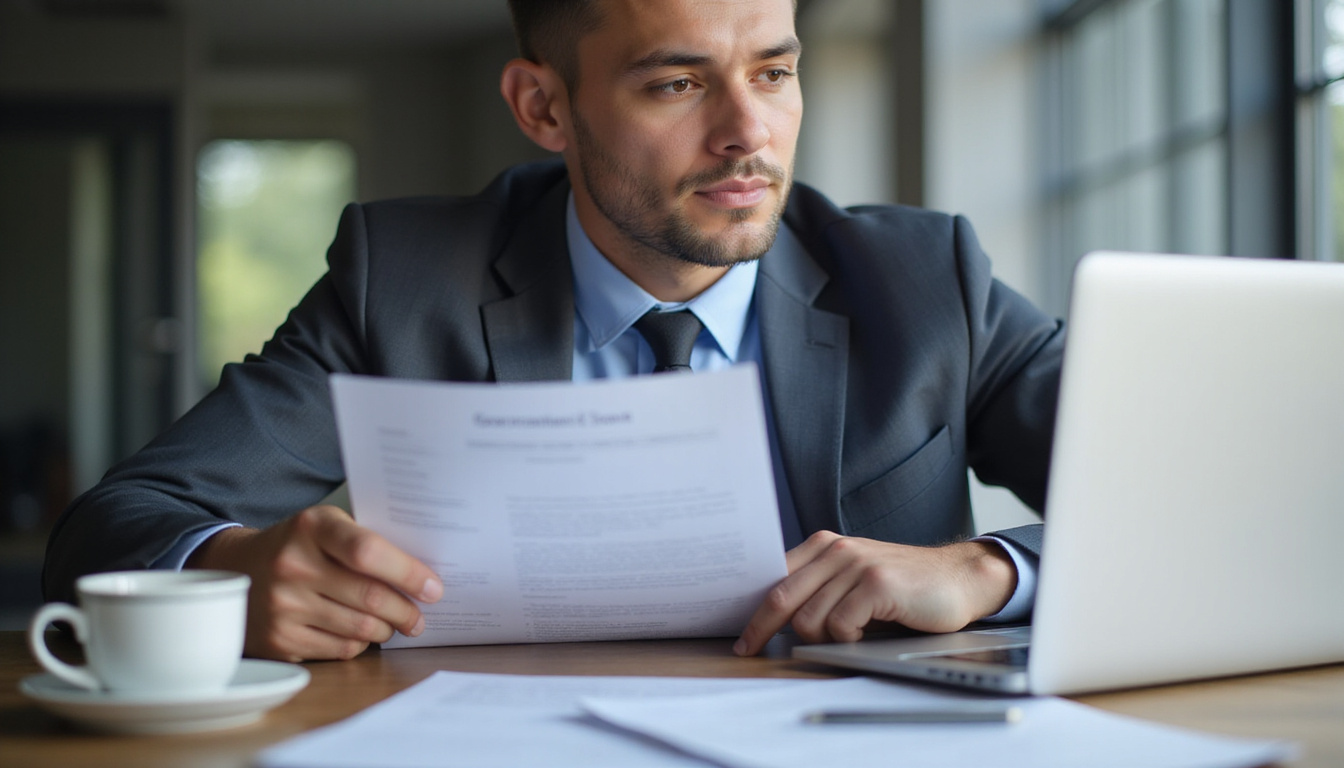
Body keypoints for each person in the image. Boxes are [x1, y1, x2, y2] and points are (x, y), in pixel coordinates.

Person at [43, 0, 1063, 663]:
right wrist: (231, 572)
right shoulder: (399, 282)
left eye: (774, 73)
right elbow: (117, 523)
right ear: (543, 107)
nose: (748, 134)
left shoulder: (929, 281)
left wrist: (986, 570)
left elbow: (1194, 509)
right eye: (678, 82)